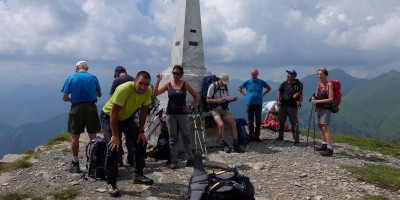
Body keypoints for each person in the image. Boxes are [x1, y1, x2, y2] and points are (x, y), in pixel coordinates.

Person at [101, 71, 154, 197]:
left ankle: (138, 174)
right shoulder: (123, 89)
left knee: (141, 142)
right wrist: (115, 135)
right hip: (109, 117)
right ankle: (111, 183)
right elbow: (114, 113)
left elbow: (143, 112)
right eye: (140, 83)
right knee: (113, 147)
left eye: (146, 84)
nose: (143, 87)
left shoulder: (148, 91)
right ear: (134, 81)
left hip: (126, 118)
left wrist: (141, 131)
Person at [153, 65, 200, 169]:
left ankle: (190, 158)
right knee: (173, 138)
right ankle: (174, 160)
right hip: (170, 114)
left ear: (181, 75)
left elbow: (196, 97)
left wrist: (191, 107)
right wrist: (158, 81)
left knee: (186, 136)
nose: (176, 75)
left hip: (183, 114)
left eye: (178, 73)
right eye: (174, 73)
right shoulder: (168, 85)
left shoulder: (185, 84)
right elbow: (155, 93)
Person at [61, 60, 102, 173]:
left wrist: (72, 99)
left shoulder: (71, 78)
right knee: (93, 136)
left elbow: (64, 98)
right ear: (87, 69)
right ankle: (94, 163)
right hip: (91, 107)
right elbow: (99, 94)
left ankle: (75, 163)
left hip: (76, 108)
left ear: (76, 68)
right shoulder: (93, 78)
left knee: (75, 136)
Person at [207, 73, 244, 153]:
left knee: (233, 123)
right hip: (214, 109)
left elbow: (227, 98)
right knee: (221, 125)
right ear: (219, 79)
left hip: (223, 109)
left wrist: (232, 99)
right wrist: (218, 100)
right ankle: (223, 144)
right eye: (223, 81)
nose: (224, 83)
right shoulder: (213, 86)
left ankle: (236, 143)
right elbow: (208, 100)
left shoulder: (225, 87)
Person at [109, 66, 135, 167]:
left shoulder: (117, 80)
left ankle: (119, 159)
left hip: (118, 113)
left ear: (117, 73)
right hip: (130, 112)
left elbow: (111, 98)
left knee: (117, 135)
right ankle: (131, 158)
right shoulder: (134, 79)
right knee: (130, 136)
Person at [238, 68, 271, 142]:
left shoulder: (261, 82)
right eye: (253, 75)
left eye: (255, 74)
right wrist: (245, 95)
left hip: (258, 103)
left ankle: (257, 137)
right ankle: (251, 136)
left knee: (258, 121)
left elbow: (269, 88)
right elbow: (239, 88)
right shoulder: (247, 82)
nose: (254, 76)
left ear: (257, 74)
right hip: (249, 103)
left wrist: (263, 94)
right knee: (250, 120)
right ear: (251, 74)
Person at [311, 67, 334, 157]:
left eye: (321, 74)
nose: (319, 76)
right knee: (320, 126)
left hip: (325, 109)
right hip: (318, 108)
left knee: (325, 127)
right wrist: (313, 98)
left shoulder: (329, 85)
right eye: (318, 74)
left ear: (326, 75)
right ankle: (324, 144)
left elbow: (331, 99)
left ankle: (330, 149)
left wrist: (317, 102)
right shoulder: (319, 85)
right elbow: (316, 95)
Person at [276, 69, 303, 144]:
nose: (288, 75)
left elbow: (300, 94)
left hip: (292, 106)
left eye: (289, 74)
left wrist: (299, 101)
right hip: (283, 105)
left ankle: (296, 138)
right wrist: (278, 100)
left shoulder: (298, 85)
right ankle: (280, 136)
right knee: (281, 121)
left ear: (294, 76)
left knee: (293, 122)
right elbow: (279, 92)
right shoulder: (284, 83)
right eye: (288, 74)